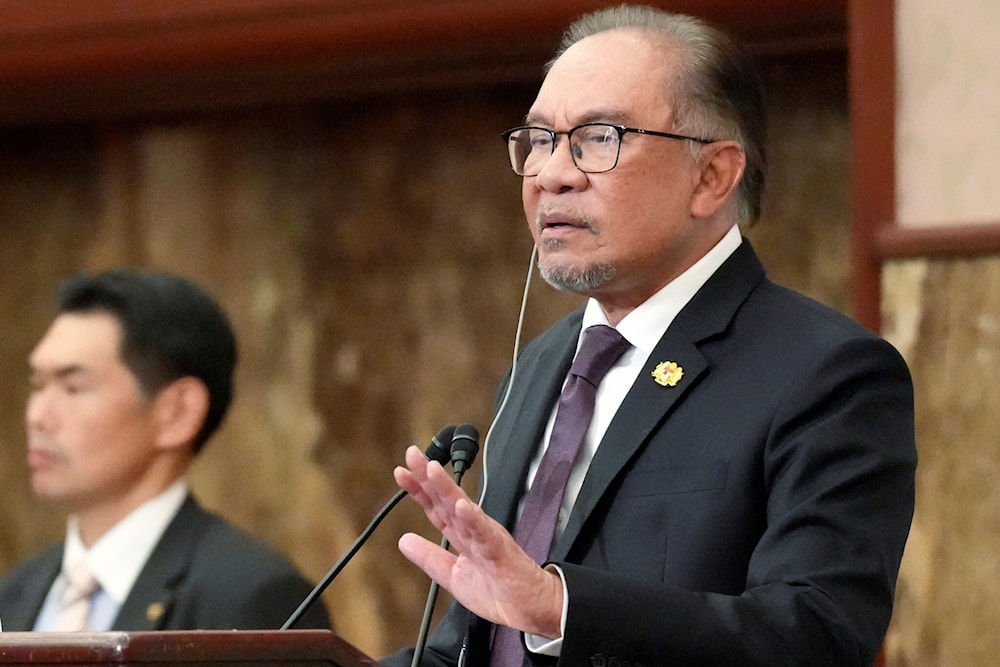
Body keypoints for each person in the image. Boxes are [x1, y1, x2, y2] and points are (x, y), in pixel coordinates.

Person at [384, 5, 916, 667]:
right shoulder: (544, 363)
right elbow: (486, 646)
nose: (552, 173)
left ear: (713, 175)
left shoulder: (827, 373)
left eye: (598, 138)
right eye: (540, 139)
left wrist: (562, 606)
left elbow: (816, 633)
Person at [0, 269, 331, 632]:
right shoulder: (15, 594)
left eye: (74, 387)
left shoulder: (250, 596)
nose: (37, 417)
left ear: (177, 413)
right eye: (37, 386)